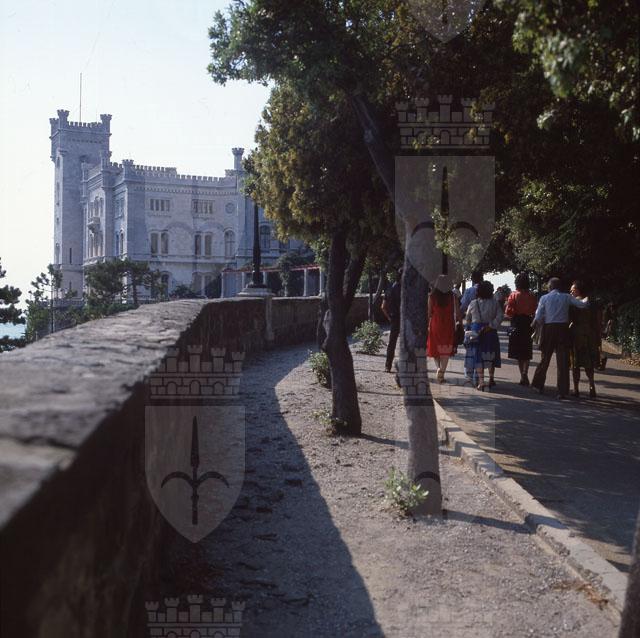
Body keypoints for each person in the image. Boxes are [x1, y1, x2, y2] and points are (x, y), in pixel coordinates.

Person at [530, 277, 588, 399]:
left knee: (545, 358)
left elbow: (539, 315)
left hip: (549, 329)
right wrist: (587, 299)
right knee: (563, 361)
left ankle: (538, 385)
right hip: (563, 329)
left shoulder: (544, 298)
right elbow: (581, 305)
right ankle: (562, 391)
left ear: (550, 287)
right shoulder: (566, 297)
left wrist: (534, 325)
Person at [464, 280, 503, 391]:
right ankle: (491, 378)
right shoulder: (495, 303)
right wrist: (491, 325)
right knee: (491, 354)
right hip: (490, 332)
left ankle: (481, 381)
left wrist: (468, 329)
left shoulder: (473, 303)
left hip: (476, 332)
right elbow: (500, 316)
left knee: (478, 357)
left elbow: (468, 318)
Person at [427, 274, 462, 383]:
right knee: (445, 350)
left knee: (435, 349)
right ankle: (441, 372)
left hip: (435, 324)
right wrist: (460, 324)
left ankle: (438, 369)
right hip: (448, 325)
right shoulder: (453, 296)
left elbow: (429, 313)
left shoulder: (432, 296)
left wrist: (427, 326)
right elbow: (458, 313)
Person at [504, 273, 538, 386]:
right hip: (528, 322)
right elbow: (535, 310)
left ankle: (523, 376)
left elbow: (508, 312)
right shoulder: (532, 295)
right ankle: (525, 372)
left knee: (518, 351)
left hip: (517, 322)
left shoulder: (513, 295)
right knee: (527, 350)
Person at [569, 280, 600, 398]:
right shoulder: (591, 303)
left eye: (572, 290)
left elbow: (569, 318)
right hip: (590, 335)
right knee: (589, 363)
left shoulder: (574, 303)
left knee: (575, 363)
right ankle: (592, 385)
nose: (571, 292)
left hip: (576, 334)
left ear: (578, 290)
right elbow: (596, 321)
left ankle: (576, 388)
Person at [460, 270, 483, 383]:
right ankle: (477, 375)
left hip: (472, 324)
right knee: (481, 349)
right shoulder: (486, 289)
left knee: (470, 349)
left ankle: (469, 373)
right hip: (485, 326)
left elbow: (463, 306)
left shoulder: (469, 291)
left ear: (472, 279)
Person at [382, 270, 402, 373]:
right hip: (404, 319)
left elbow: (383, 307)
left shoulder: (389, 288)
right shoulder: (406, 289)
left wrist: (389, 318)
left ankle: (388, 365)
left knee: (392, 343)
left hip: (394, 318)